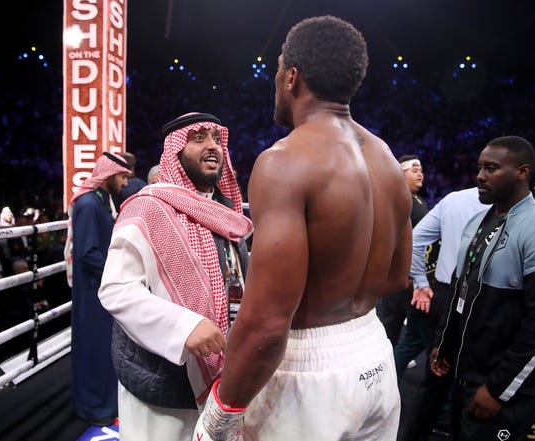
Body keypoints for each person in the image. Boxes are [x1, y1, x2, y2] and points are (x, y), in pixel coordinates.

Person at [194, 15, 412, 441]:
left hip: (307, 372)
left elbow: (268, 323)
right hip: (374, 353)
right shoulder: (387, 159)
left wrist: (220, 417)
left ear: (292, 77)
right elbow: (396, 277)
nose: (275, 82)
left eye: (277, 71)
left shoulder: (284, 161)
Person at [98, 112, 252, 441]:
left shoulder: (223, 212)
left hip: (223, 374)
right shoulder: (147, 208)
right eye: (199, 138)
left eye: (216, 138)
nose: (212, 146)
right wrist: (183, 326)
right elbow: (116, 290)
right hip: (163, 380)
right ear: (176, 151)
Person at [430, 136, 535, 441]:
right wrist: (444, 342)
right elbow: (461, 289)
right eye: (480, 167)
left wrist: (500, 389)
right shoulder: (478, 221)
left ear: (522, 172)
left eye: (491, 168)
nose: (480, 176)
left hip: (503, 386)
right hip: (467, 375)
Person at [396, 186, 488, 441]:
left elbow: (416, 238)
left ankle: (421, 431)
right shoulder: (510, 208)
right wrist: (420, 283)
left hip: (445, 293)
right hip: (477, 298)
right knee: (459, 373)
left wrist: (421, 282)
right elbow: (416, 238)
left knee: (436, 374)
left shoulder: (453, 200)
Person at [64, 151, 130, 426]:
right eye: (123, 176)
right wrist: (121, 272)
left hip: (101, 287)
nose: (126, 183)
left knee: (102, 348)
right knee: (92, 348)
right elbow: (88, 253)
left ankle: (102, 404)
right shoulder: (90, 204)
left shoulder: (100, 202)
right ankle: (92, 408)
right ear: (110, 174)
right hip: (93, 291)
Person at [378, 155, 430, 348]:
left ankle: (397, 355)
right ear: (401, 172)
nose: (420, 175)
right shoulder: (396, 198)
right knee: (389, 321)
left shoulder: (419, 200)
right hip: (397, 273)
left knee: (407, 323)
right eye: (414, 171)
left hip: (413, 274)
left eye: (421, 171)